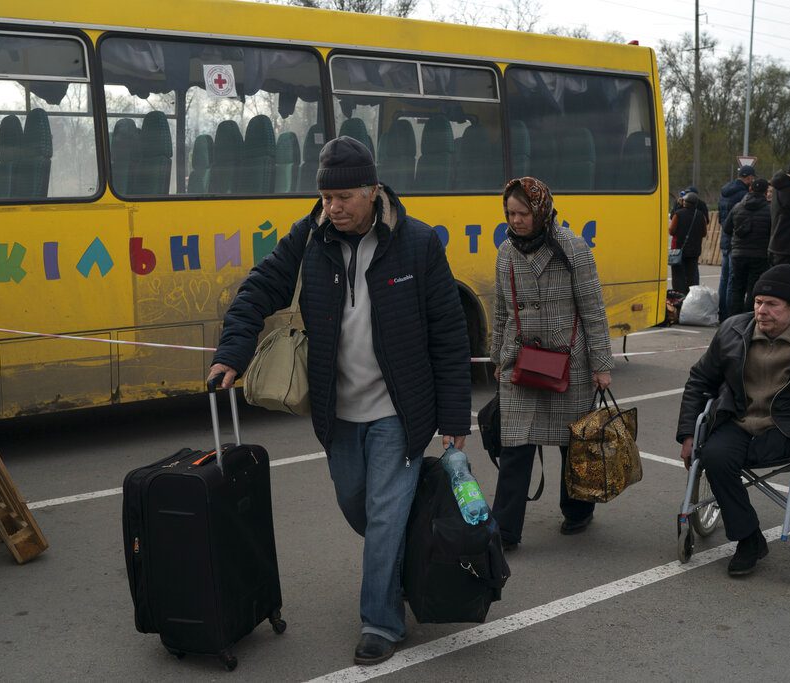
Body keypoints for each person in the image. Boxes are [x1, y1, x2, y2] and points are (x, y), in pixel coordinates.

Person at [207, 135, 471, 665]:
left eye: (345, 196)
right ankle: (403, 556)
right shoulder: (309, 239)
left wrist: (454, 415)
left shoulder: (417, 244)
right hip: (338, 412)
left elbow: (449, 333)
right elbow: (257, 290)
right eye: (326, 197)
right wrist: (232, 353)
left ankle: (381, 620)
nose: (334, 207)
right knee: (358, 504)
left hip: (400, 411)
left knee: (384, 512)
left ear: (373, 190)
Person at [676, 264, 790, 576]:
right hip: (737, 419)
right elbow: (699, 380)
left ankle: (747, 531)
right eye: (758, 302)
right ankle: (749, 539)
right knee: (714, 456)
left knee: (729, 458)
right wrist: (688, 434)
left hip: (788, 427)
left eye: (771, 304)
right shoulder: (733, 330)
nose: (761, 311)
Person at [490, 177, 614, 551]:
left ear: (541, 210)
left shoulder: (573, 249)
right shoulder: (505, 252)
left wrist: (601, 364)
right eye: (510, 213)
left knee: (571, 443)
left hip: (569, 361)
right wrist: (497, 357)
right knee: (514, 446)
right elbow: (500, 311)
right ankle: (505, 532)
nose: (516, 220)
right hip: (519, 364)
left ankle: (577, 511)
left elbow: (593, 310)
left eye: (523, 213)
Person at [722, 178, 771, 315]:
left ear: (750, 189)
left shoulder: (738, 207)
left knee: (737, 287)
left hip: (738, 254)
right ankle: (749, 318)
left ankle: (733, 318)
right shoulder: (769, 210)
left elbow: (726, 228)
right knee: (753, 289)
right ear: (766, 192)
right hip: (760, 255)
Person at [717, 165, 756, 322]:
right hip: (736, 242)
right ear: (748, 178)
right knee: (733, 282)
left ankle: (722, 313)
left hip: (725, 240)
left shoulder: (724, 194)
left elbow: (722, 219)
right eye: (752, 178)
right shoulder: (743, 195)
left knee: (724, 279)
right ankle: (730, 317)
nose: (753, 181)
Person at [669, 191, 708, 295]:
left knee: (678, 277)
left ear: (684, 202)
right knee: (692, 277)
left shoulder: (678, 214)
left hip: (679, 250)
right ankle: (691, 297)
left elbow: (671, 231)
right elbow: (704, 233)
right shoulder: (700, 215)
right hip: (694, 251)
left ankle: (679, 297)